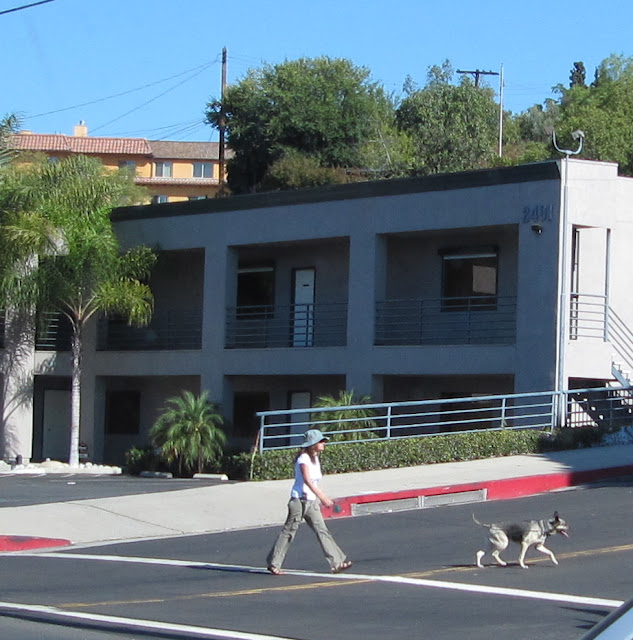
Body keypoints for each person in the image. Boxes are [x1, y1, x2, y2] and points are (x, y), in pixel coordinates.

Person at [266, 428, 353, 575]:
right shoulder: (303, 459)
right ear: (313, 444)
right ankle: (274, 563)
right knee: (289, 531)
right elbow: (307, 480)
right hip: (299, 501)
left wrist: (320, 497)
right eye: (321, 441)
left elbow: (315, 481)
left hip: (311, 502)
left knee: (322, 530)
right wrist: (323, 497)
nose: (324, 443)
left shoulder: (316, 458)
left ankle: (337, 563)